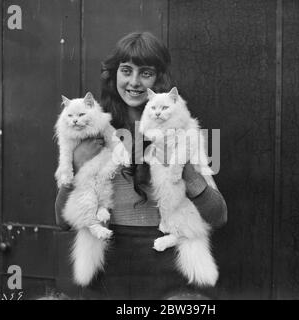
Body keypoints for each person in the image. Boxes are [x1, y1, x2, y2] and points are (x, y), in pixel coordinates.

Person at [55, 31, 227, 300]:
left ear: (159, 78)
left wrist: (186, 169)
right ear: (114, 75)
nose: (134, 82)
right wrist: (77, 165)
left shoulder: (187, 131)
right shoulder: (90, 128)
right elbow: (61, 221)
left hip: (169, 273)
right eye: (126, 71)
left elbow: (218, 215)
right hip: (108, 276)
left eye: (145, 73)